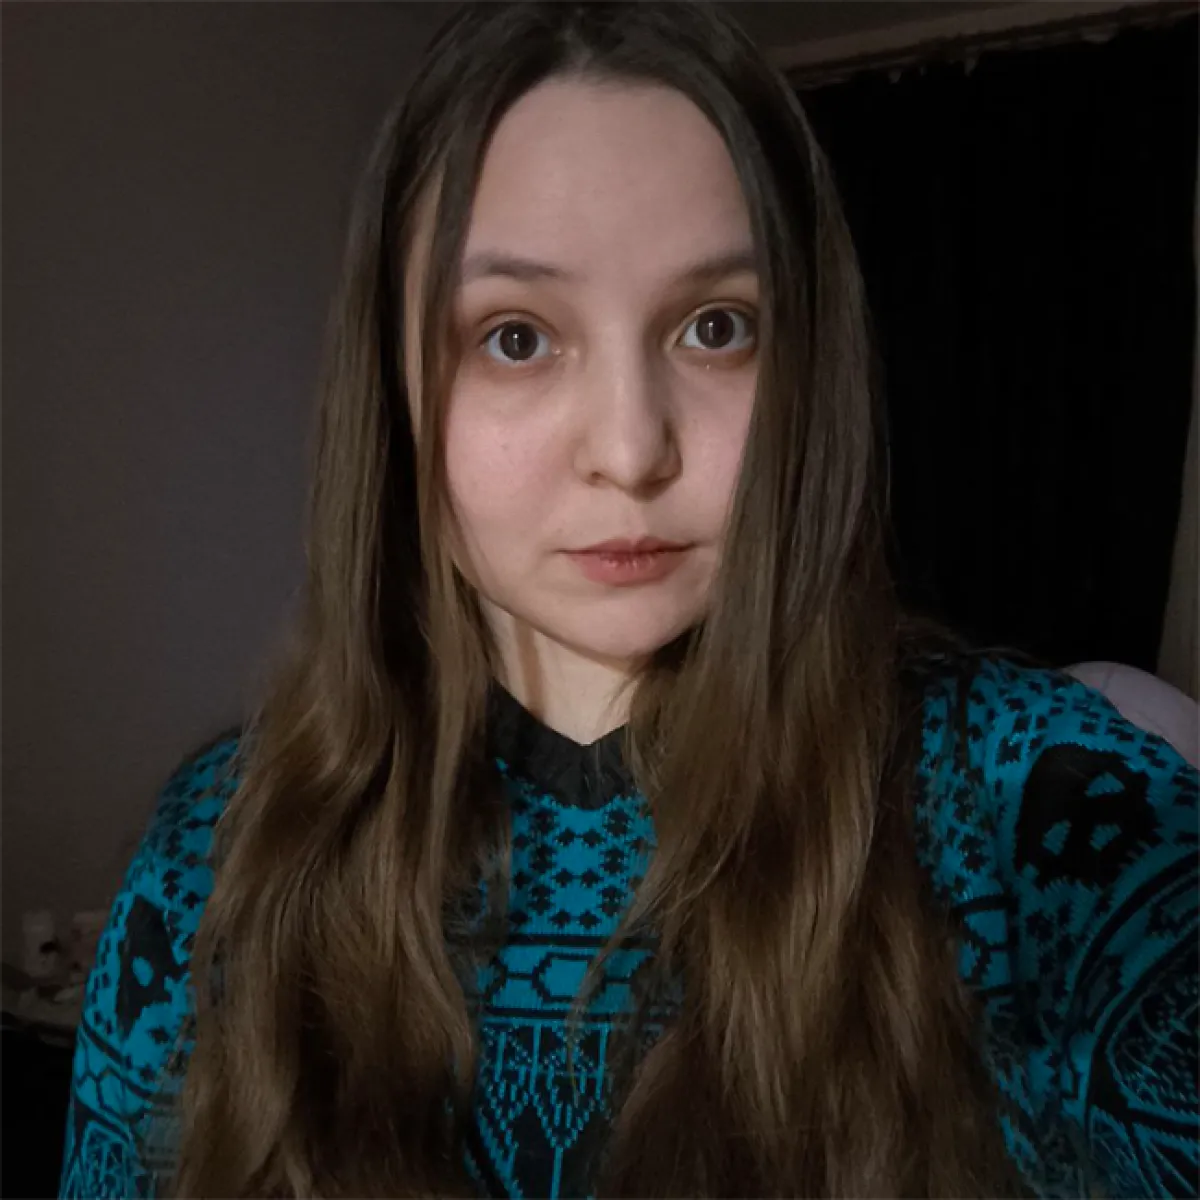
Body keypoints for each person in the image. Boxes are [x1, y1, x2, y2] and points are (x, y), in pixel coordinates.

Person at [57, 1, 1200, 1197]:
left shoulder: (1035, 806)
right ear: (393, 392)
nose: (631, 448)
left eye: (717, 328)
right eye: (515, 337)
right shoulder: (216, 850)